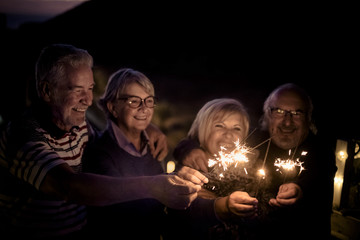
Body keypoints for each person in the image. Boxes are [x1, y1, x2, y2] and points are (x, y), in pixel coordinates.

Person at [0, 43, 208, 239]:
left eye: (90, 88)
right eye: (77, 90)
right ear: (46, 91)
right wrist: (153, 186)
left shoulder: (78, 125)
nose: (88, 99)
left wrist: (146, 126)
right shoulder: (23, 135)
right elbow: (68, 187)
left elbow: (109, 135)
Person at [174, 83, 337, 239]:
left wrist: (299, 188)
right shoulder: (257, 141)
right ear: (267, 115)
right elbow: (203, 135)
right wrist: (188, 148)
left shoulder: (321, 151)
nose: (288, 121)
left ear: (308, 117)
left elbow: (319, 176)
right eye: (279, 111)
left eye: (297, 113)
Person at [82, 67, 171, 239]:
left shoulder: (151, 146)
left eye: (149, 101)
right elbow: (119, 212)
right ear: (113, 107)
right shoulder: (99, 151)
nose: (144, 108)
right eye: (134, 101)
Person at [169, 98, 259, 240]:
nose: (228, 134)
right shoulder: (189, 172)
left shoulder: (256, 171)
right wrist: (223, 206)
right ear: (202, 130)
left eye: (237, 128)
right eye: (219, 126)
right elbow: (184, 212)